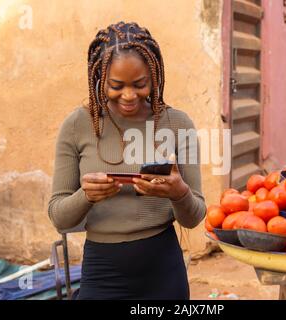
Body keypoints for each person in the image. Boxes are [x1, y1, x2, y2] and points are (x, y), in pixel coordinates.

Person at [48, 21, 206, 300]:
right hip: (102, 269)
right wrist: (86, 195)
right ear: (99, 78)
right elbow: (59, 217)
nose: (129, 95)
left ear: (154, 77)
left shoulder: (177, 124)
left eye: (140, 84)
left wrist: (179, 192)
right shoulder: (77, 125)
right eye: (116, 85)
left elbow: (193, 218)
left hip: (163, 269)